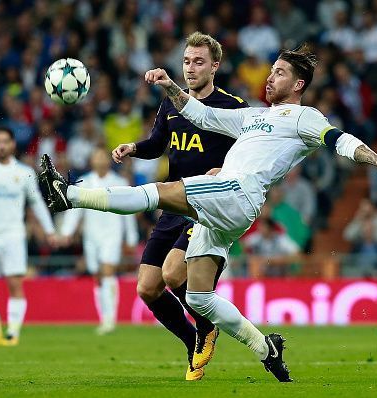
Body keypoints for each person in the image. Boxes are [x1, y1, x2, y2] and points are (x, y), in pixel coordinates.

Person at [40, 43, 377, 382]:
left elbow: (338, 140)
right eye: (272, 70)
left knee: (156, 193)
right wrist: (169, 84)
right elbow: (198, 113)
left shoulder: (303, 117)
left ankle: (69, 195)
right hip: (227, 207)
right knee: (199, 298)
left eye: (279, 72)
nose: (270, 76)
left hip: (237, 193)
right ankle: (266, 348)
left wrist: (375, 158)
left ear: (298, 84)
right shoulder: (250, 117)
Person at [110, 31, 249, 381]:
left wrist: (228, 169)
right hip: (173, 204)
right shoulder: (171, 104)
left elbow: (252, 152)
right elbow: (158, 143)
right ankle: (193, 341)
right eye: (186, 61)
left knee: (174, 273)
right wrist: (133, 147)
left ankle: (205, 324)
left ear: (215, 66)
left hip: (205, 206)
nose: (190, 68)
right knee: (147, 288)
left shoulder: (233, 107)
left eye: (199, 61)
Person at [0, 127, 56, 346]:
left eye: (5, 141)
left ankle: (12, 333)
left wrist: (50, 230)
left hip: (14, 235)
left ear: (12, 144)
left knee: (15, 284)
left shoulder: (24, 172)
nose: (1, 145)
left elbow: (36, 203)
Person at [59, 148, 138, 334]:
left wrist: (131, 237)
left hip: (112, 233)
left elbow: (129, 212)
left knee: (107, 272)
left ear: (108, 160)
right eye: (96, 156)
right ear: (91, 160)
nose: (100, 159)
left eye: (103, 156)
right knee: (97, 277)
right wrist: (66, 232)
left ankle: (111, 319)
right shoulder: (84, 182)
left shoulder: (119, 182)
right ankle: (103, 317)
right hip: (91, 235)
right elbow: (76, 210)